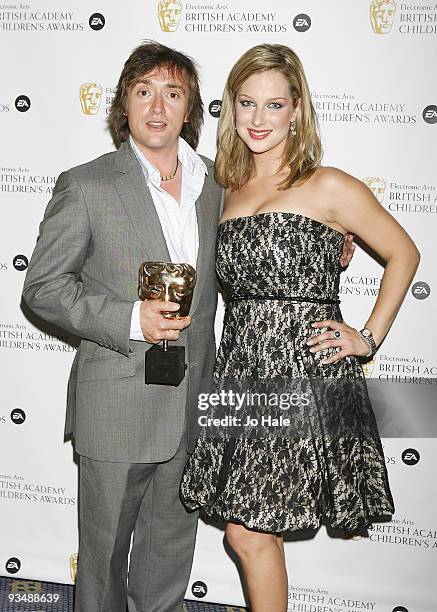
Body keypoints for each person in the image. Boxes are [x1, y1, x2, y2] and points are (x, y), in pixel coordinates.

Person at [180, 43, 420, 612]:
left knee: (248, 530)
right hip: (241, 373)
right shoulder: (226, 191)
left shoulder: (329, 184)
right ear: (230, 109)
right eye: (246, 103)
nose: (258, 119)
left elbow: (404, 254)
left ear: (297, 110)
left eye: (273, 105)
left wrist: (368, 336)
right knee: (247, 529)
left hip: (303, 374)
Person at [22, 41, 222, 612]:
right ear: (124, 105)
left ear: (191, 110)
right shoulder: (86, 185)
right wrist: (131, 318)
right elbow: (42, 288)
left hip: (191, 404)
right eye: (143, 91)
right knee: (104, 560)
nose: (157, 107)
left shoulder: (218, 188)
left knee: (169, 557)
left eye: (173, 93)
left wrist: (329, 247)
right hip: (115, 404)